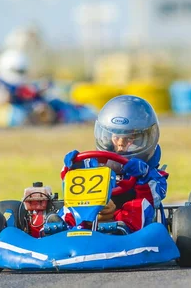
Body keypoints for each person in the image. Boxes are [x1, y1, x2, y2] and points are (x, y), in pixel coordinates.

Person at [53, 95, 167, 232]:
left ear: (145, 139)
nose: (120, 143)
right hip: (89, 213)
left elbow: (155, 196)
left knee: (138, 205)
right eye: (116, 136)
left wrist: (144, 175)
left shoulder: (153, 174)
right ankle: (61, 228)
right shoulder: (93, 163)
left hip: (123, 221)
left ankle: (122, 229)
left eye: (129, 138)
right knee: (69, 206)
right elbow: (71, 182)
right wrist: (70, 167)